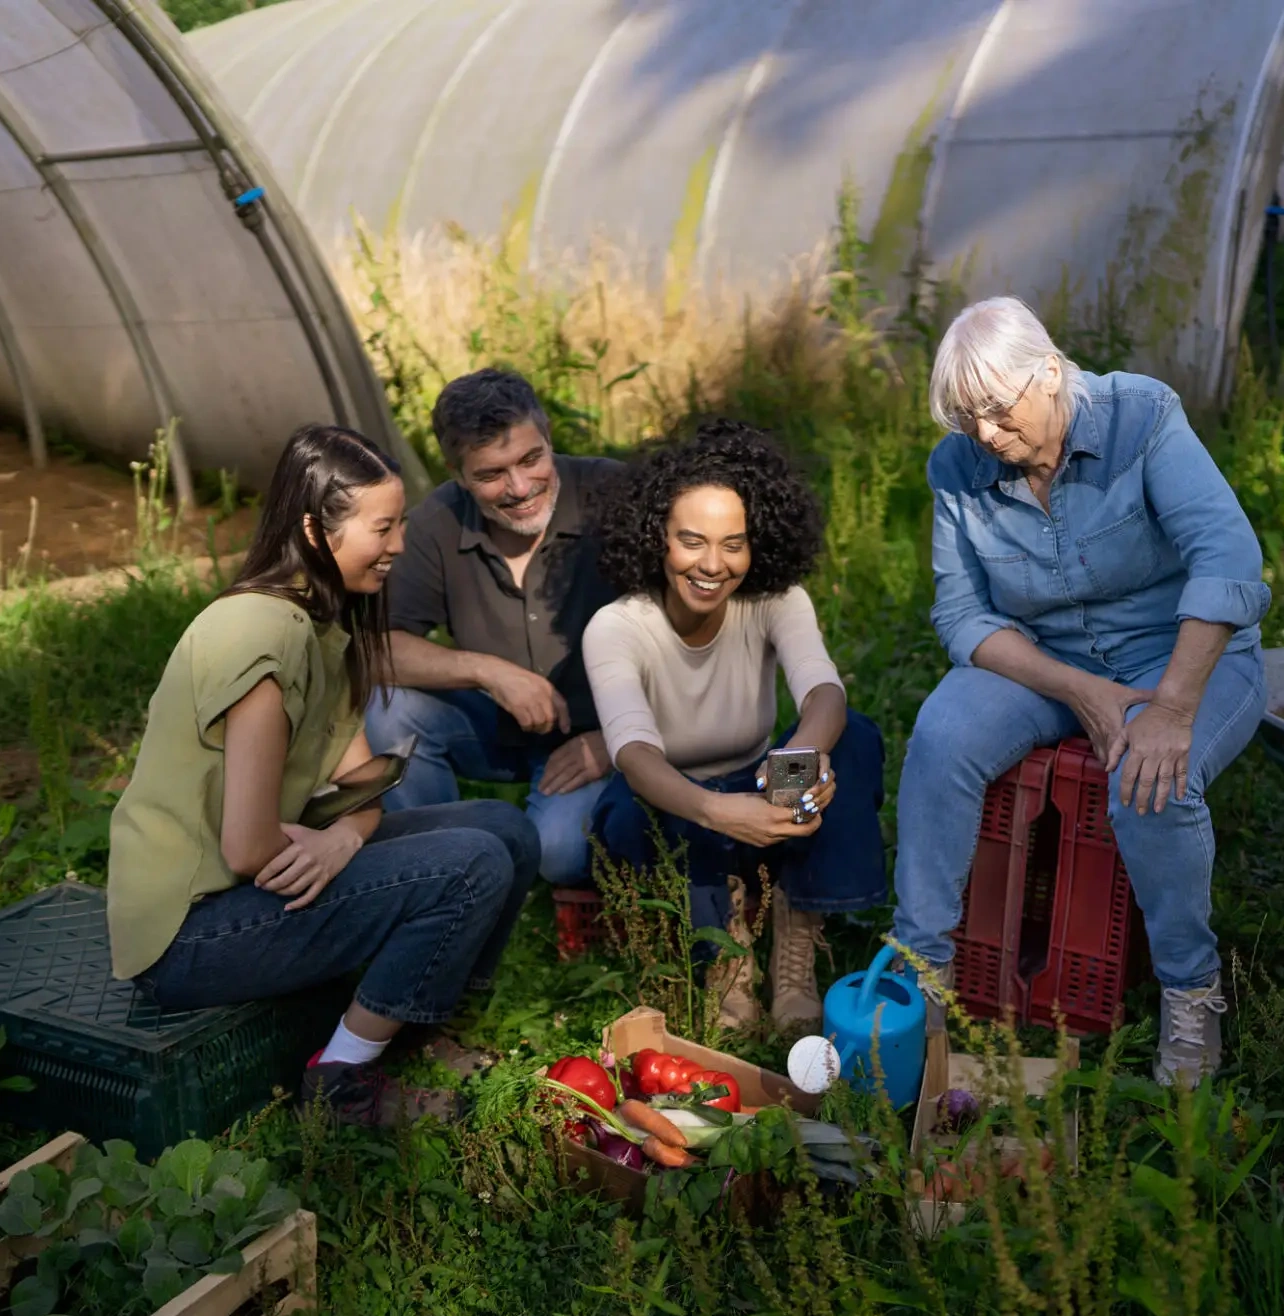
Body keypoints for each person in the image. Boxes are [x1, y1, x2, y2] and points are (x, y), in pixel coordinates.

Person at [107, 425, 540, 1127]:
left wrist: (342, 839)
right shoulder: (262, 634)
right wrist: (336, 839)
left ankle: (414, 1032)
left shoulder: (324, 629)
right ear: (315, 531)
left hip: (251, 884)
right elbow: (248, 847)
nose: (400, 543)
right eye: (383, 527)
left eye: (401, 523)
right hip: (187, 935)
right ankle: (339, 1081)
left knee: (505, 828)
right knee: (470, 863)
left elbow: (365, 779)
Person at [894, 296, 1269, 1086]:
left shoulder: (1142, 416)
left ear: (1050, 372)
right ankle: (919, 970)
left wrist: (1171, 708)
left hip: (1182, 656)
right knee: (940, 733)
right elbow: (961, 614)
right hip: (1048, 663)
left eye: (997, 410)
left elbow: (1228, 559)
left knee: (1149, 779)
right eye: (966, 418)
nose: (984, 434)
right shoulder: (956, 466)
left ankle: (1190, 990)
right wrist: (1079, 688)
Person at [583, 418, 887, 1030]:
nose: (712, 565)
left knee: (853, 737)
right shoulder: (616, 627)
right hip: (679, 804)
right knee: (625, 810)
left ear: (758, 543)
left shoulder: (774, 598)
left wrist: (800, 764)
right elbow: (634, 754)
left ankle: (796, 942)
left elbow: (824, 691)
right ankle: (726, 961)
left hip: (760, 786)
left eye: (733, 544)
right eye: (691, 541)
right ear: (658, 536)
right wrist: (716, 812)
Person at [365, 368, 621, 887]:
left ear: (548, 436)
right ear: (457, 475)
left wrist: (619, 741)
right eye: (491, 475)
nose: (520, 488)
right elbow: (373, 648)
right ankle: (444, 874)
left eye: (531, 459)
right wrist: (487, 671)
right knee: (387, 707)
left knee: (557, 854)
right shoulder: (436, 521)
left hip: (611, 731)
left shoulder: (615, 494)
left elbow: (700, 628)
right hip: (498, 727)